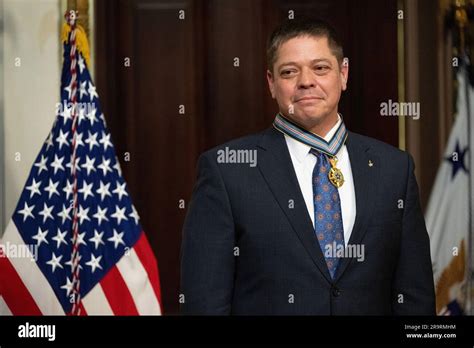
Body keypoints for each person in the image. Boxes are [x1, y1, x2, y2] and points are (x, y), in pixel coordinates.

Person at [180, 18, 436, 315]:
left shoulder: (394, 169)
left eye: (320, 68)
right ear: (271, 83)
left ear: (343, 74)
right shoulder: (226, 170)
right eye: (289, 72)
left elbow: (416, 299)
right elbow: (204, 304)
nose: (306, 81)